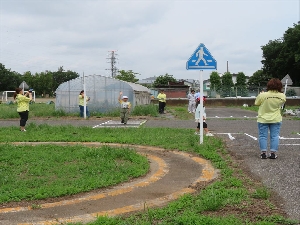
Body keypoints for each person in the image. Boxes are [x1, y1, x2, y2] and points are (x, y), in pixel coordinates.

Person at [255, 78, 286, 159]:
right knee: (275, 136)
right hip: (276, 118)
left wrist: (261, 94)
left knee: (262, 136)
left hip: (263, 118)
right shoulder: (282, 96)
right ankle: (273, 153)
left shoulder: (263, 95)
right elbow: (282, 103)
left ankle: (263, 153)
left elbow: (256, 103)